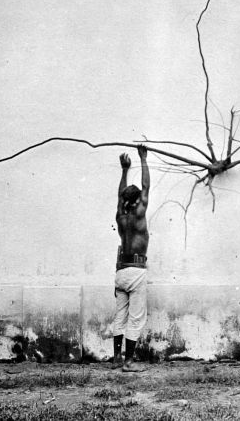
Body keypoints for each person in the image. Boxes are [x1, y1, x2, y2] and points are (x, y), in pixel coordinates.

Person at [112, 145, 150, 371]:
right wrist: (143, 159)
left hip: (120, 271)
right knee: (136, 317)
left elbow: (120, 195)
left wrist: (124, 170)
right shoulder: (138, 213)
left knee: (120, 316)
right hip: (136, 270)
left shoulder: (120, 215)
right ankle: (128, 362)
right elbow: (146, 186)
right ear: (137, 201)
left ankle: (117, 358)